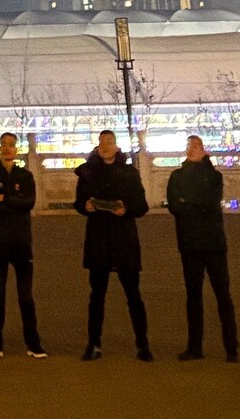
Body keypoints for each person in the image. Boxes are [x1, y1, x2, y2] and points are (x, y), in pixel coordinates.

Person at [73, 127, 151, 361]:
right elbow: (78, 202)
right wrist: (84, 207)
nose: (106, 145)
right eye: (102, 142)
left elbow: (142, 206)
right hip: (98, 239)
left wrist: (126, 209)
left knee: (133, 295)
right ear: (97, 146)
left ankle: (143, 345)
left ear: (117, 146)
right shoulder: (87, 173)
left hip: (123, 238)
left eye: (110, 141)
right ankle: (93, 344)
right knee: (97, 295)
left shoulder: (128, 173)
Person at [166, 134, 239, 362]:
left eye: (196, 146)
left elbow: (210, 201)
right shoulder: (177, 176)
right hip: (189, 244)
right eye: (189, 146)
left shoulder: (213, 176)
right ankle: (194, 346)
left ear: (204, 150)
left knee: (222, 295)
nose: (192, 149)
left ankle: (231, 347)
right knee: (193, 296)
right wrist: (190, 204)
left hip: (213, 243)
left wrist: (188, 202)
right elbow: (174, 205)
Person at [0, 132, 45, 359]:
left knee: (25, 295)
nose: (7, 149)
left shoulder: (24, 175)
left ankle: (34, 344)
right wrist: (13, 202)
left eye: (11, 145)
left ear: (17, 149)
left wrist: (5, 199)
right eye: (4, 145)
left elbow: (29, 202)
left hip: (21, 242)